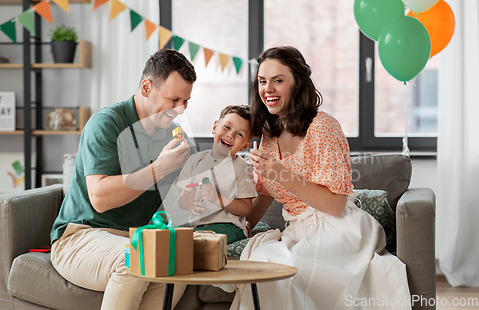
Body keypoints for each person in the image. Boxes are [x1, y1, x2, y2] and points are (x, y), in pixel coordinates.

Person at [230, 46, 411, 310]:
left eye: (278, 80)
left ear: (298, 84)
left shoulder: (323, 126)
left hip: (339, 230)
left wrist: (280, 173)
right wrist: (236, 227)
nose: (267, 88)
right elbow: (265, 195)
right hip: (298, 233)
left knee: (290, 271)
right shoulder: (267, 137)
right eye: (262, 81)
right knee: (264, 265)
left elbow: (335, 205)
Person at [50, 49, 197, 310]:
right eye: (174, 99)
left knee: (178, 262)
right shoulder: (106, 123)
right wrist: (159, 169)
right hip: (82, 237)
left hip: (137, 237)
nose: (181, 109)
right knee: (137, 256)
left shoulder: (173, 137)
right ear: (146, 87)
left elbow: (178, 205)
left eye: (185, 101)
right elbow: (100, 198)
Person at [174, 105, 257, 244]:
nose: (230, 135)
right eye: (227, 127)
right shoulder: (194, 161)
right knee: (171, 235)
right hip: (199, 227)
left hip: (229, 227)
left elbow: (245, 208)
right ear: (215, 127)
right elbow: (182, 199)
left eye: (239, 134)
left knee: (197, 241)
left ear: (244, 146)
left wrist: (217, 198)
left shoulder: (242, 168)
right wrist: (187, 202)